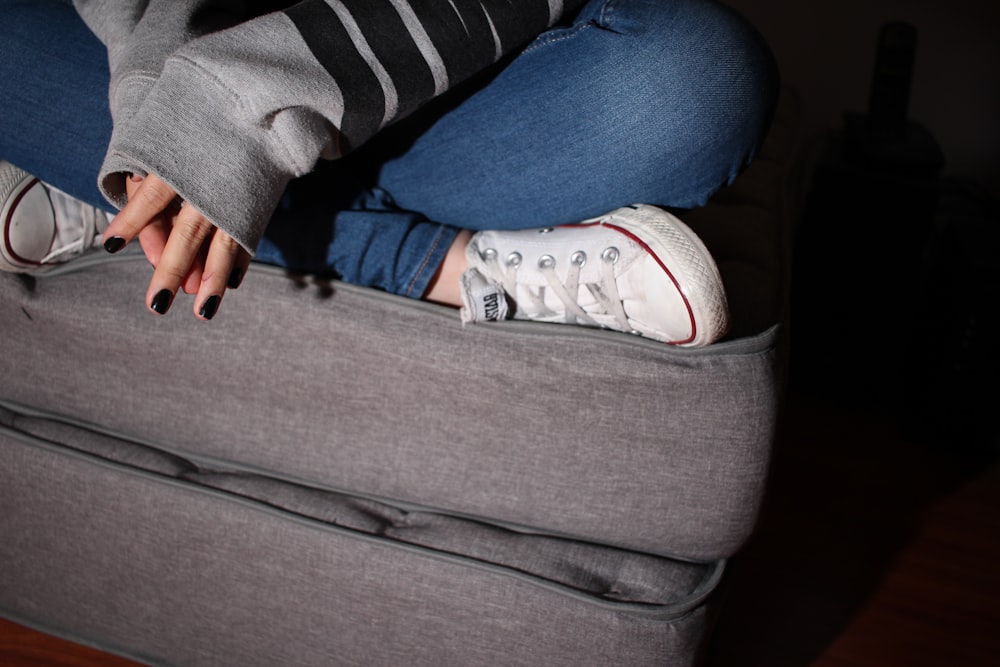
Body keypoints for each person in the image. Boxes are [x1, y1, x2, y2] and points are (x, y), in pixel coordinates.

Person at [0, 0, 778, 346]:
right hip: (177, 53)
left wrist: (239, 109)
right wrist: (164, 111)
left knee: (702, 80)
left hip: (451, 89)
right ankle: (457, 266)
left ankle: (128, 195)